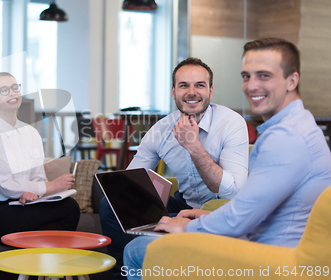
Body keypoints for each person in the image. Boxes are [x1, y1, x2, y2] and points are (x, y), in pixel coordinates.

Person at [123, 38, 331, 280]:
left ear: (292, 81)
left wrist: (188, 227)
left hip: (273, 261)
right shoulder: (297, 126)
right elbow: (255, 209)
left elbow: (238, 218)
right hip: (265, 243)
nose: (252, 86)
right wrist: (207, 217)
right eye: (246, 76)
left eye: (264, 76)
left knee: (137, 251)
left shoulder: (286, 138)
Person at [100, 57, 249, 279]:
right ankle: (123, 271)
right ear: (173, 92)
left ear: (210, 91)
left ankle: (154, 249)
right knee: (111, 203)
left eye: (199, 85)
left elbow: (233, 193)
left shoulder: (231, 124)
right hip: (182, 205)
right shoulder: (161, 130)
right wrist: (135, 193)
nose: (192, 92)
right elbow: (128, 182)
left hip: (220, 211)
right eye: (183, 85)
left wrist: (194, 147)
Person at [0, 72, 80, 243]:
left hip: (24, 206)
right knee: (60, 223)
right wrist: (50, 186)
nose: (12, 93)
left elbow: (37, 176)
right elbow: (4, 185)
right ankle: (34, 267)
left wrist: (31, 193)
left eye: (15, 88)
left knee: (69, 208)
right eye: (4, 90)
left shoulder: (31, 133)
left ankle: (18, 270)